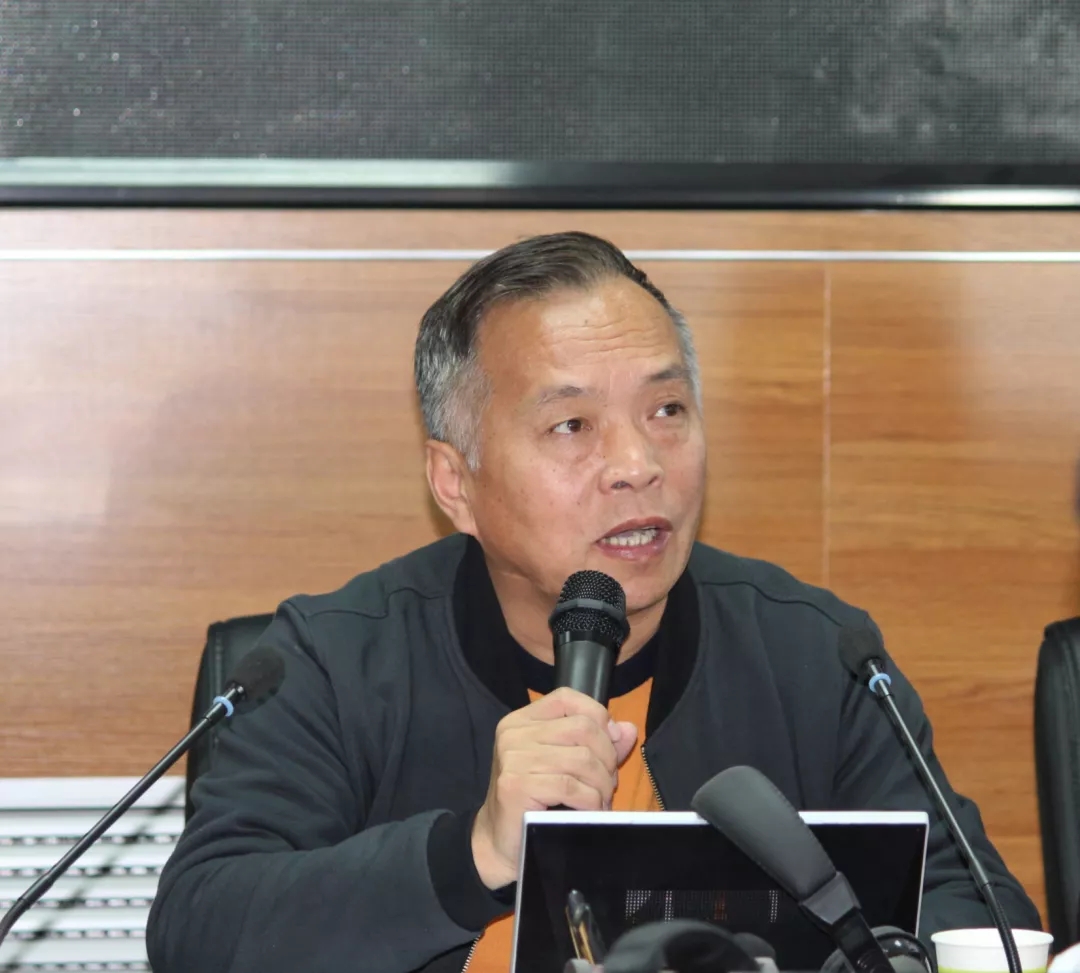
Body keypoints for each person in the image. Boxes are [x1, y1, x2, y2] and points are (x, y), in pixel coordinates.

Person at [147, 232, 1038, 973]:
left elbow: (983, 919)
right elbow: (200, 927)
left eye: (667, 410)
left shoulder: (816, 653)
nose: (637, 464)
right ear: (454, 482)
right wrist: (474, 853)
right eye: (572, 425)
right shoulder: (335, 660)